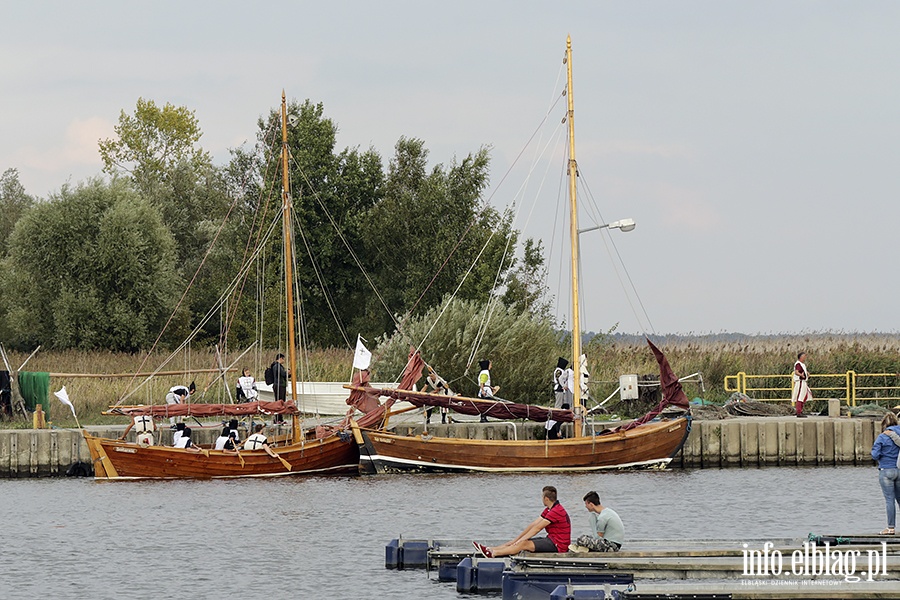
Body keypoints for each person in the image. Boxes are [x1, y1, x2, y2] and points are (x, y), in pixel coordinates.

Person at [473, 485, 571, 558]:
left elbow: (538, 528)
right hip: (552, 540)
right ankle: (491, 549)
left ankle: (494, 553)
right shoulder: (549, 509)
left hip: (559, 546)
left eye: (542, 497)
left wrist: (521, 541)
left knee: (524, 544)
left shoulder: (556, 511)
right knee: (519, 542)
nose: (541, 499)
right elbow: (533, 525)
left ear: (546, 498)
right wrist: (516, 539)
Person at [871, 412, 900, 535]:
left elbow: (875, 455)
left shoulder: (882, 437)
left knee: (889, 500)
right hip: (899, 469)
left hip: (886, 470)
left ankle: (891, 528)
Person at [791, 352, 812, 418]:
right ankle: (799, 412)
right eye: (804, 356)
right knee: (800, 396)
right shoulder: (798, 364)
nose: (805, 357)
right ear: (801, 357)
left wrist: (806, 373)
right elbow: (796, 372)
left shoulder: (802, 364)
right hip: (800, 381)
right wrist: (801, 375)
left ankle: (800, 410)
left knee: (803, 396)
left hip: (803, 382)